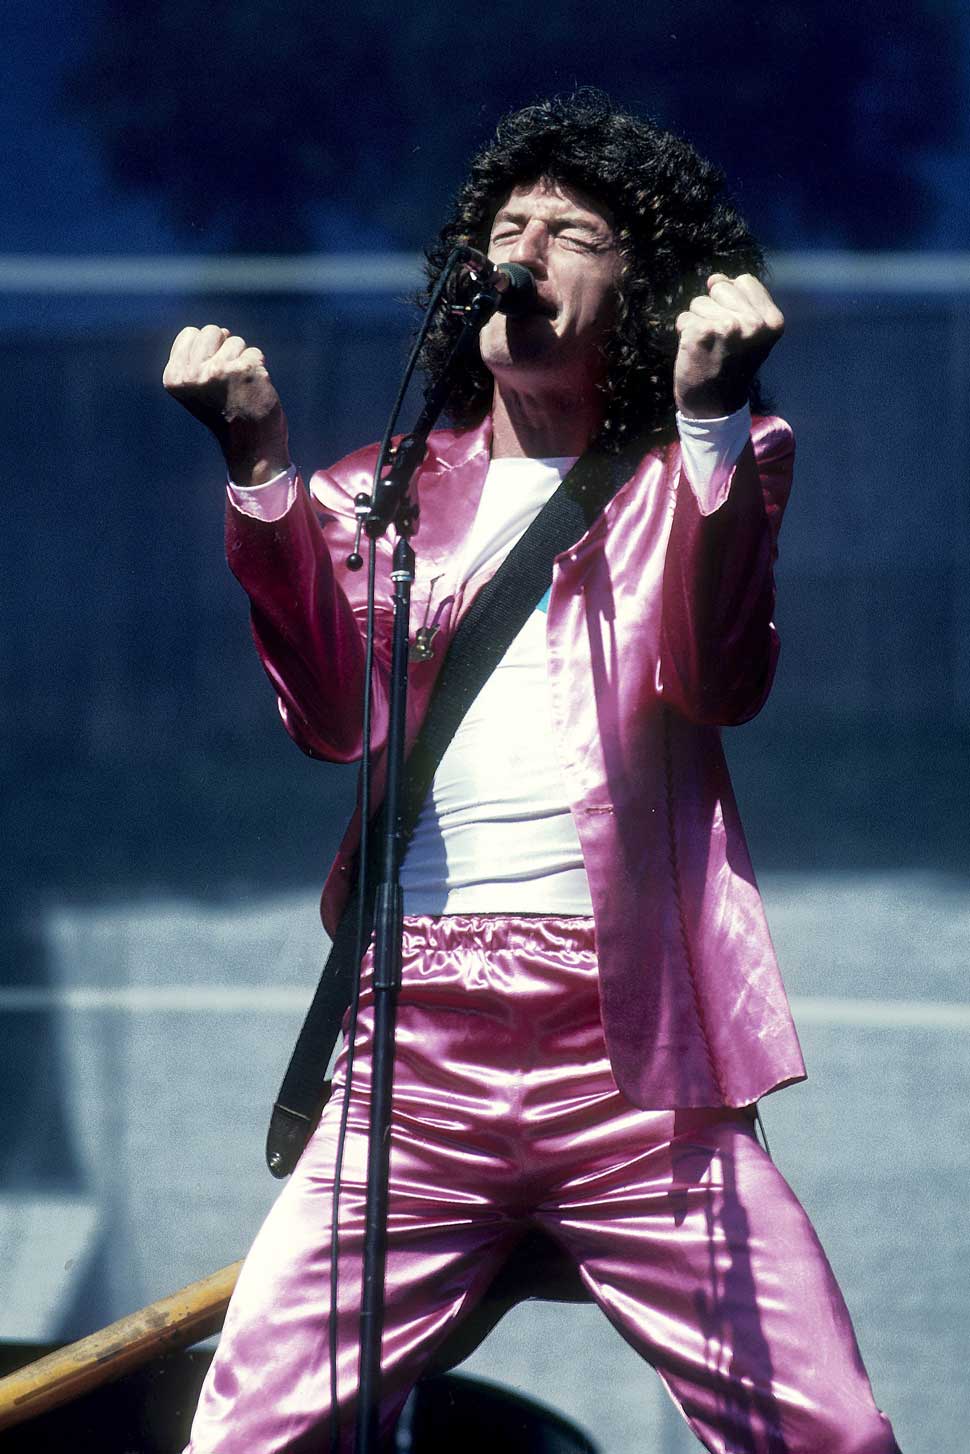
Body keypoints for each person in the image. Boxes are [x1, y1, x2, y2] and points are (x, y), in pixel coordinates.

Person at [165, 91, 901, 1454]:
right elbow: (330, 718)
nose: (525, 249)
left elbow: (718, 673)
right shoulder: (370, 494)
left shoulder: (701, 469)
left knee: (830, 1433)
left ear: (651, 288)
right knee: (244, 1435)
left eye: (574, 231)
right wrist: (259, 465)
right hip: (417, 1047)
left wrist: (714, 426)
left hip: (631, 1061)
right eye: (502, 226)